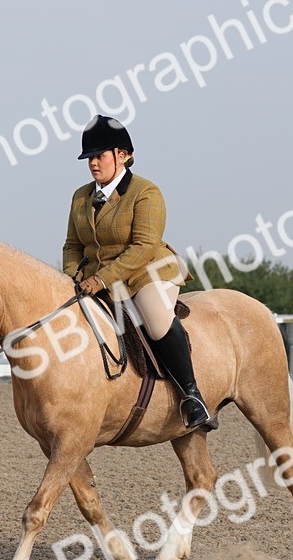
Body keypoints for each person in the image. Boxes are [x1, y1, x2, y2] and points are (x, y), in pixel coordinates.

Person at [62, 115, 210, 428]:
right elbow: (72, 245)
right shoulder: (80, 196)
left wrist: (100, 278)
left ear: (123, 154)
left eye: (99, 156)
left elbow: (143, 246)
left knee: (155, 320)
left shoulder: (146, 192)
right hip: (94, 279)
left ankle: (192, 395)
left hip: (147, 272)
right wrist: (73, 276)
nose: (93, 164)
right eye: (89, 158)